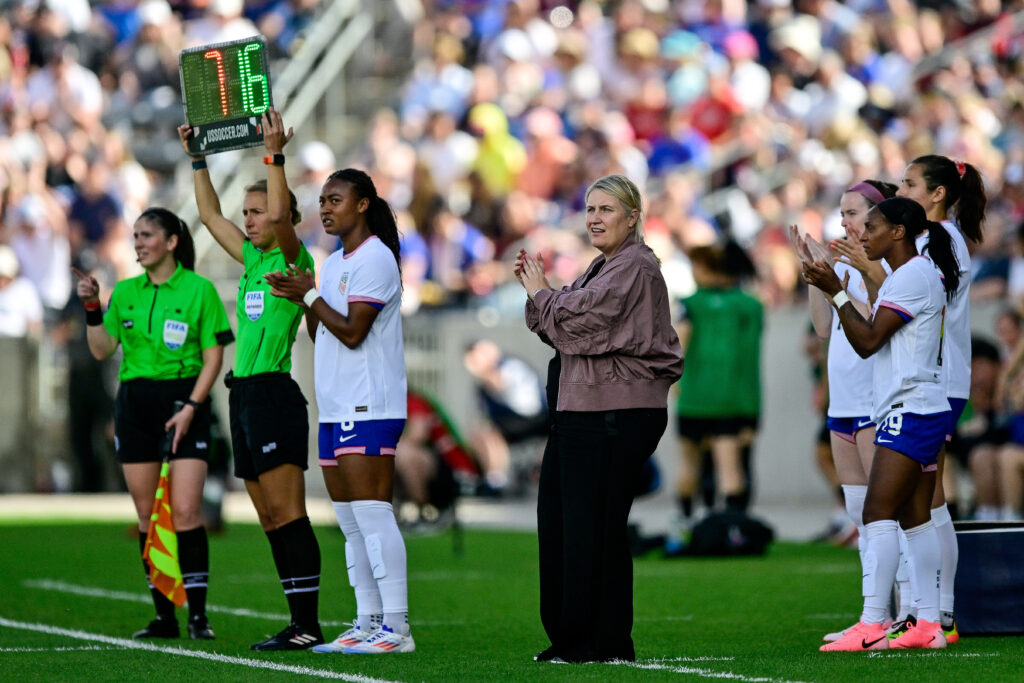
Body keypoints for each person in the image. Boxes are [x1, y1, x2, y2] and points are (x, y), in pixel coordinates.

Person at [513, 173, 683, 663]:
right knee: (571, 524)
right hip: (583, 409)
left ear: (633, 217)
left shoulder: (634, 267)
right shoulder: (604, 266)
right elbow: (562, 328)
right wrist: (543, 296)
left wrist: (544, 294)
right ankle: (585, 638)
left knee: (592, 527)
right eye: (590, 209)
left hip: (612, 412)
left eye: (606, 209)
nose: (595, 218)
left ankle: (592, 641)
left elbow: (578, 326)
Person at [178, 109, 324, 650]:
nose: (250, 220)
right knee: (266, 515)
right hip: (243, 394)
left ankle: (308, 625)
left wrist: (274, 155)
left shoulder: (293, 255)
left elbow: (284, 217)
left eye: (257, 212)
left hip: (273, 393)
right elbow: (210, 214)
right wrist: (197, 159)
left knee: (288, 511)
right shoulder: (249, 261)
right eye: (249, 212)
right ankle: (298, 622)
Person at [265, 168, 415, 655]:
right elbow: (321, 331)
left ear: (363, 204)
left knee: (373, 516)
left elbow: (354, 331)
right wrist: (307, 293)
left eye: (336, 199)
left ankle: (396, 628)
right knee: (350, 522)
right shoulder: (332, 263)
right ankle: (367, 621)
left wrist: (306, 293)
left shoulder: (376, 259)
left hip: (369, 403)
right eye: (323, 201)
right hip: (335, 404)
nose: (326, 208)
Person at [805, 196, 961, 652]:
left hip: (911, 409)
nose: (863, 235)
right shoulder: (909, 276)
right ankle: (929, 623)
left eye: (871, 227)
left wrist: (835, 289)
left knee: (877, 514)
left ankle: (874, 622)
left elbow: (870, 340)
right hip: (919, 406)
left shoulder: (910, 276)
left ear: (897, 232)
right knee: (915, 518)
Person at [72, 207, 233, 640]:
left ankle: (198, 615)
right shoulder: (125, 292)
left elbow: (214, 354)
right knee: (147, 515)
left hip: (185, 402)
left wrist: (193, 406)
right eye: (135, 236)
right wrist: (92, 307)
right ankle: (164, 617)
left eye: (147, 235)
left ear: (172, 241)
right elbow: (103, 349)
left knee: (185, 510)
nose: (138, 243)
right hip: (136, 406)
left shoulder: (200, 290)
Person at [791, 179, 900, 641]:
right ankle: (872, 615)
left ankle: (908, 613)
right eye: (842, 213)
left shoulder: (888, 265)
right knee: (860, 516)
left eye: (853, 213)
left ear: (880, 217)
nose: (844, 221)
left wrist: (837, 282)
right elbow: (822, 327)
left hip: (878, 402)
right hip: (845, 404)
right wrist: (820, 273)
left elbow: (880, 321)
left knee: (888, 515)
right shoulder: (848, 266)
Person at [886, 154, 986, 644]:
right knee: (925, 496)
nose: (901, 190)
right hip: (941, 381)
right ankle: (933, 613)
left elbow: (924, 307)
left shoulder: (939, 239)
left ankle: (936, 613)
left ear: (938, 193)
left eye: (909, 183)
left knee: (926, 498)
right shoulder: (942, 239)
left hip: (938, 382)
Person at [669, 239, 762, 553]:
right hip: (732, 399)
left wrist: (672, 381)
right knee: (730, 468)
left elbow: (679, 341)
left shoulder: (690, 304)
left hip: (694, 398)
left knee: (690, 468)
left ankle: (684, 524)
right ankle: (734, 530)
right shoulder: (750, 304)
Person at [462, 338, 548, 496]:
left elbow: (503, 388)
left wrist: (484, 371)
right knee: (480, 433)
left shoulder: (508, 366)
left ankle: (497, 480)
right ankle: (492, 479)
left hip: (535, 418)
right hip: (512, 422)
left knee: (489, 432)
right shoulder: (483, 380)